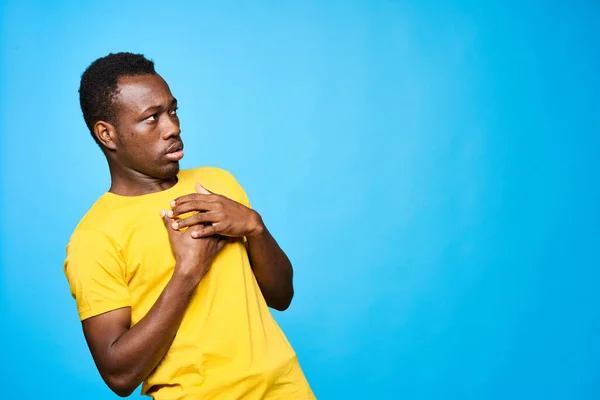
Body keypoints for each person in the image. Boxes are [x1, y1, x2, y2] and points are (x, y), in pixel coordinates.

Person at [63, 52, 315, 399]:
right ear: (108, 134)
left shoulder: (218, 183)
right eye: (152, 118)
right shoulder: (95, 238)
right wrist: (188, 272)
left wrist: (254, 227)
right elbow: (119, 376)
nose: (173, 127)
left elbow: (281, 296)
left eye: (172, 110)